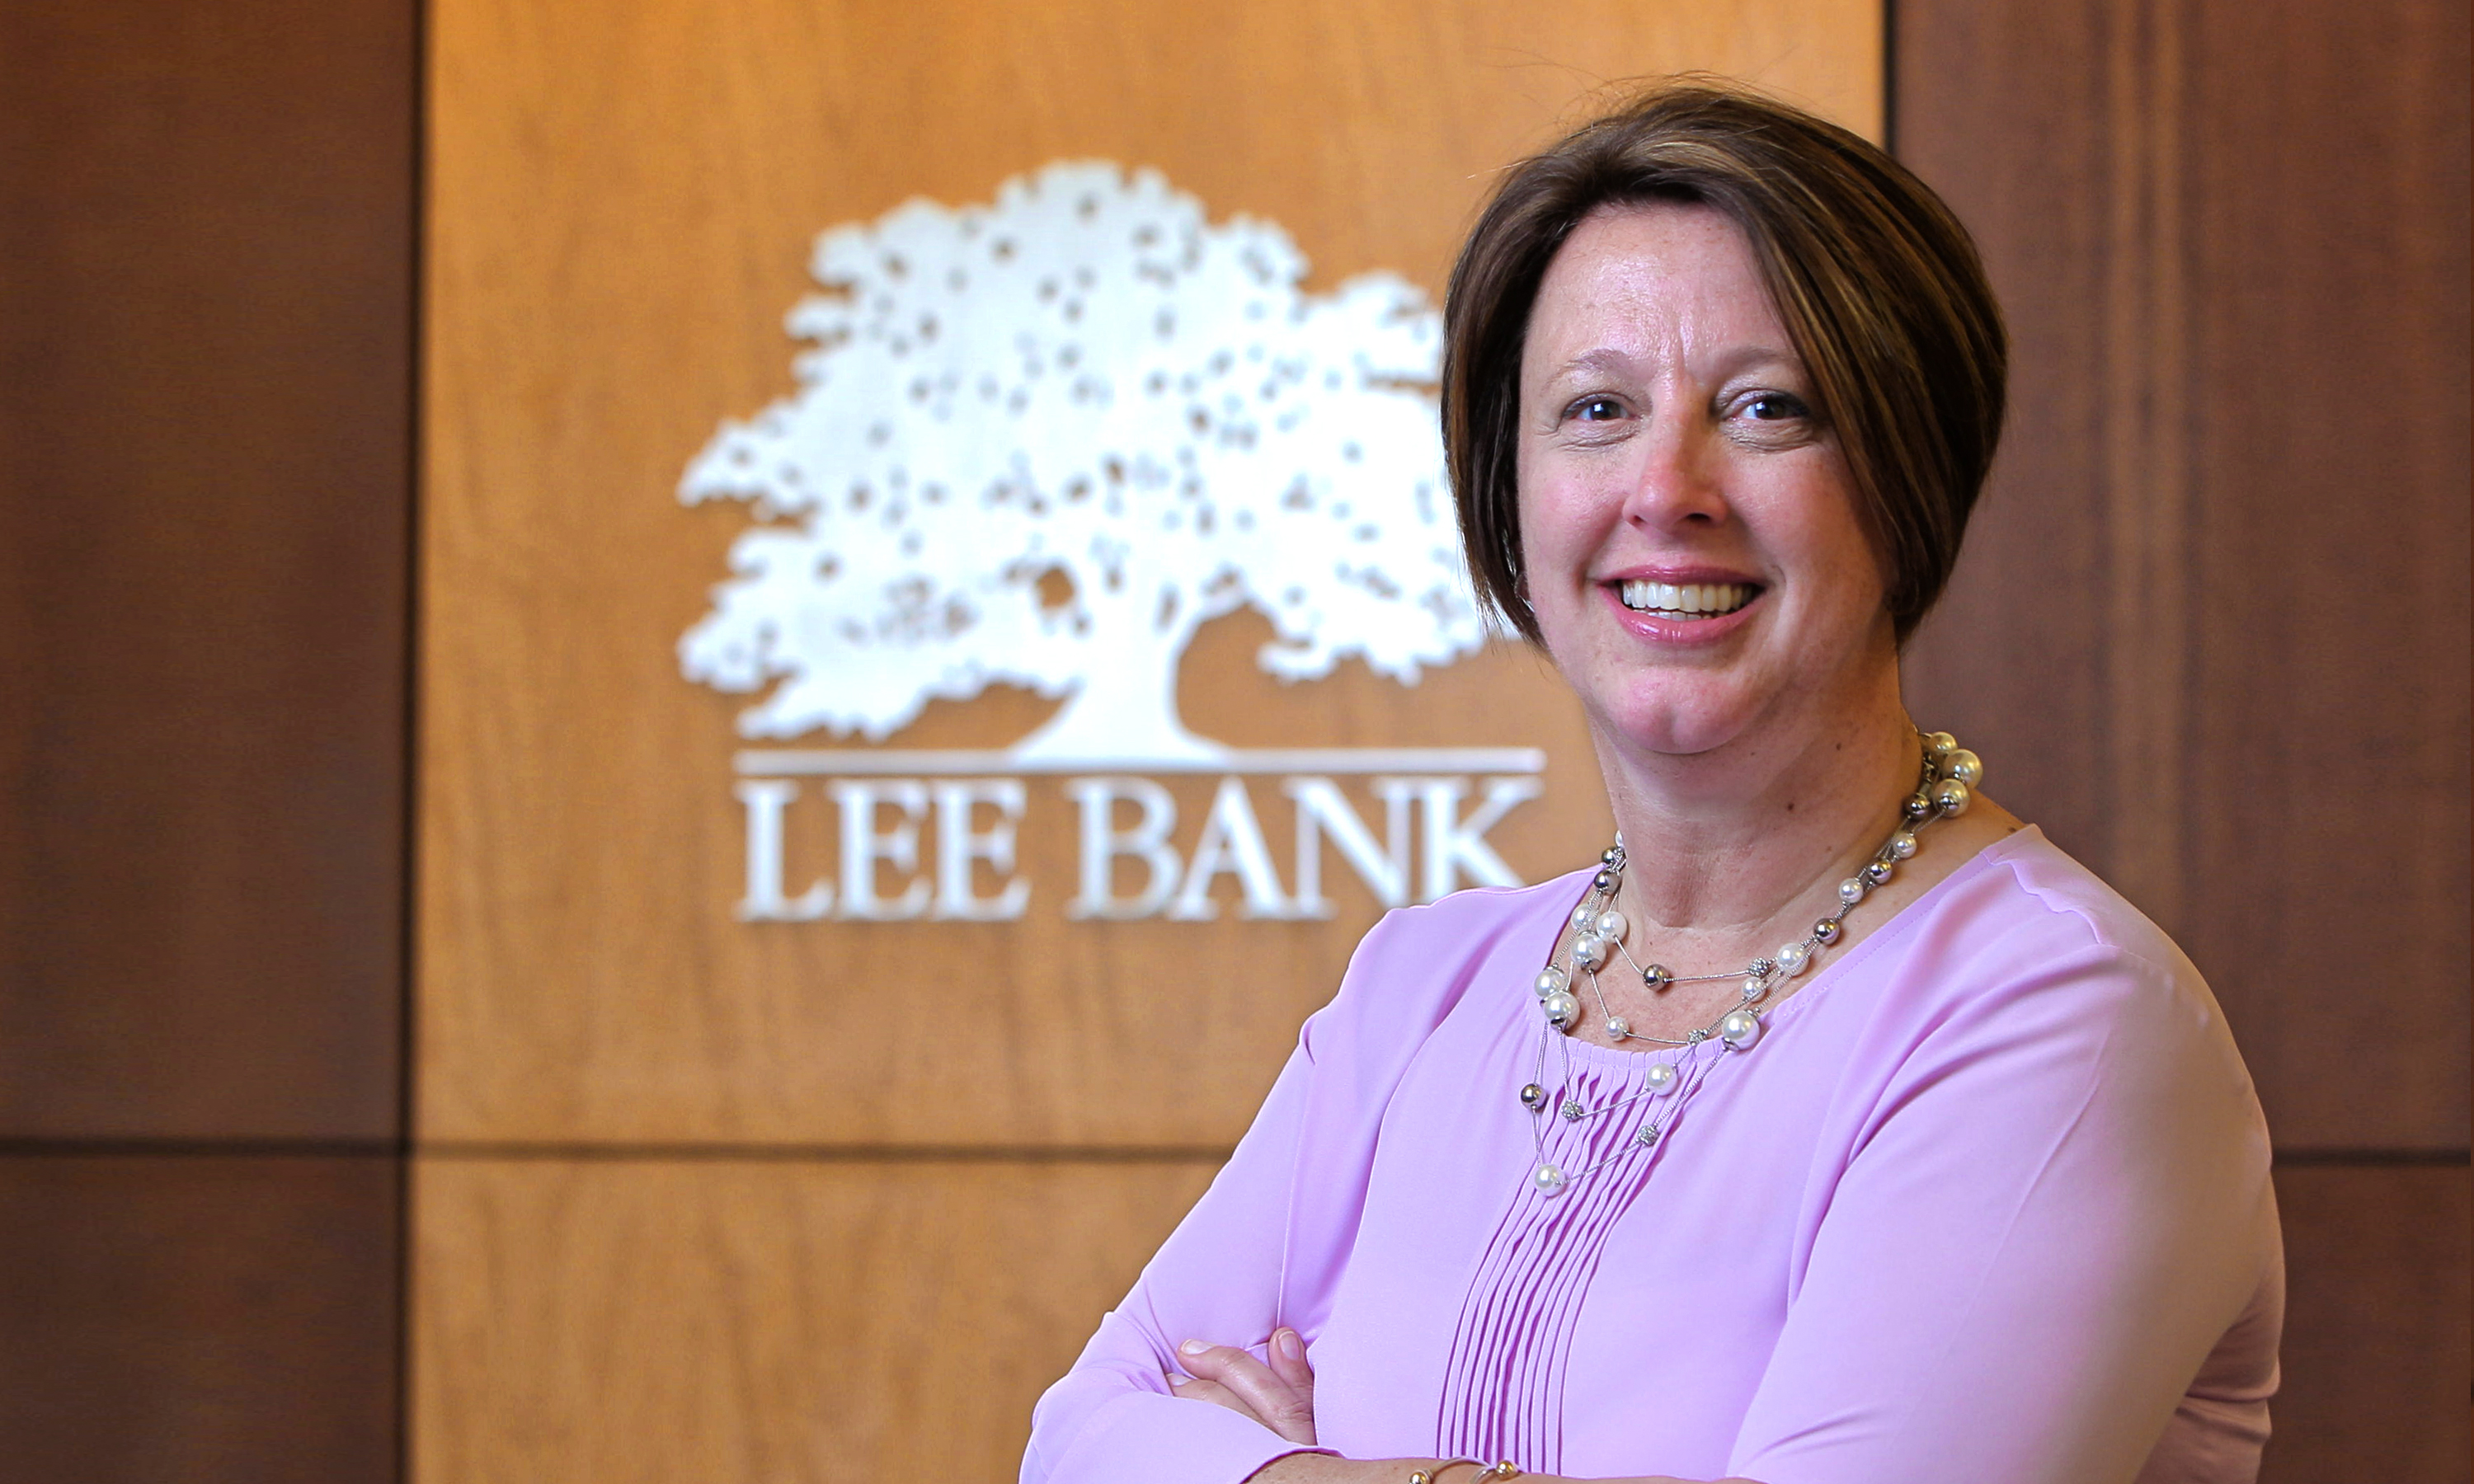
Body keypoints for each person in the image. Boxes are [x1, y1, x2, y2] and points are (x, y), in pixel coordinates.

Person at [1019, 82, 2282, 1484]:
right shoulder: (1420, 993)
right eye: (1597, 408)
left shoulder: (2059, 1017)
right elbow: (1077, 1439)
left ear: (1909, 475)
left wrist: (1303, 1471)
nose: (1666, 485)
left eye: (1767, 408)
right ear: (1509, 494)